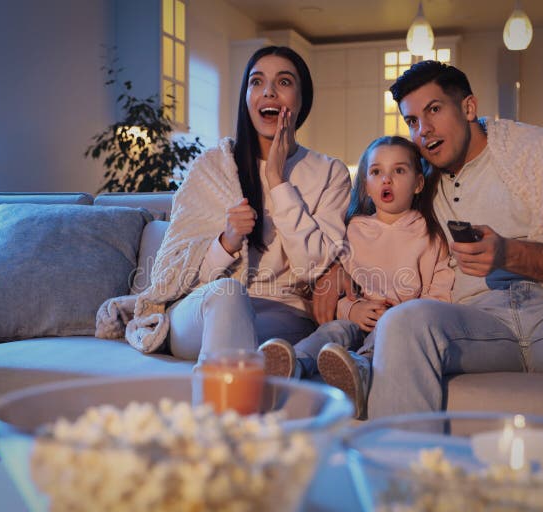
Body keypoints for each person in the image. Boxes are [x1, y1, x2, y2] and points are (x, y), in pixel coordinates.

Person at [313, 60, 543, 439]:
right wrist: (336, 268)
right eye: (412, 121)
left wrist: (509, 253)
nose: (423, 131)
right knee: (402, 322)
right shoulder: (419, 180)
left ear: (469, 107)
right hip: (476, 321)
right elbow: (374, 227)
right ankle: (404, 488)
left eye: (434, 110)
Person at [95, 46, 351, 364]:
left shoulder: (330, 172)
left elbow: (313, 266)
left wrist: (276, 179)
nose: (268, 91)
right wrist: (226, 242)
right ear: (246, 98)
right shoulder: (212, 167)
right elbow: (169, 270)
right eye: (256, 82)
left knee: (262, 327)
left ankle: (226, 403)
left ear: (302, 98)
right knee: (229, 294)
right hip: (202, 308)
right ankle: (224, 406)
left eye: (284, 82)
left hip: (281, 316)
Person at [260, 136, 453, 418]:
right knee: (332, 332)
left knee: (379, 338)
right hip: (356, 316)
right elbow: (333, 290)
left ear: (418, 183)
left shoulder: (429, 235)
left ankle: (359, 372)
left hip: (397, 327)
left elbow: (440, 295)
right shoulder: (353, 231)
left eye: (399, 171)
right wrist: (351, 308)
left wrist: (402, 316)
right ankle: (293, 363)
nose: (387, 180)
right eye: (376, 172)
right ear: (366, 186)